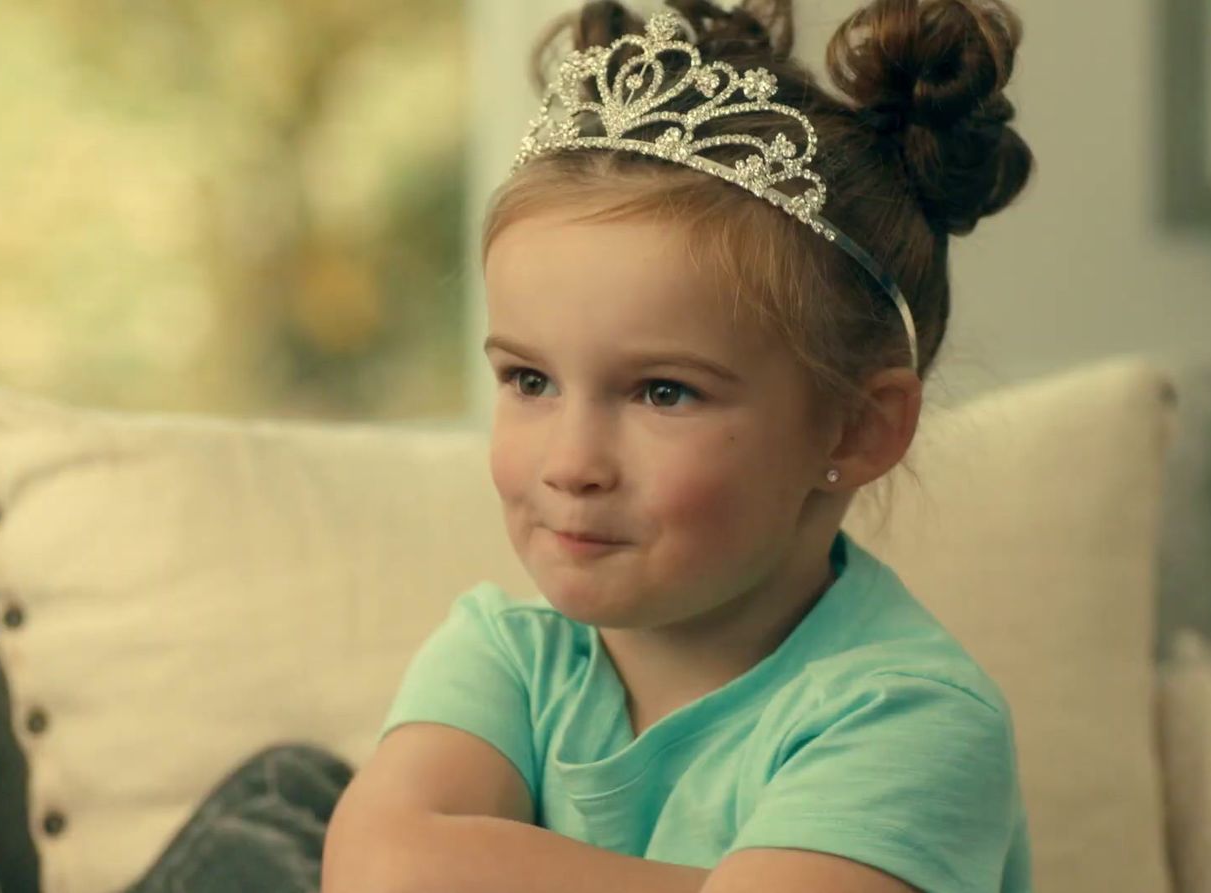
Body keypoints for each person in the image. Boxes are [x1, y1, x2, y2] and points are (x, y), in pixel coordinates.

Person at [323, 0, 1036, 890]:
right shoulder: (508, 652)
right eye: (529, 380)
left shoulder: (911, 718)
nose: (571, 463)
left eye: (664, 391)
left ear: (858, 427)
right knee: (287, 795)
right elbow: (386, 871)